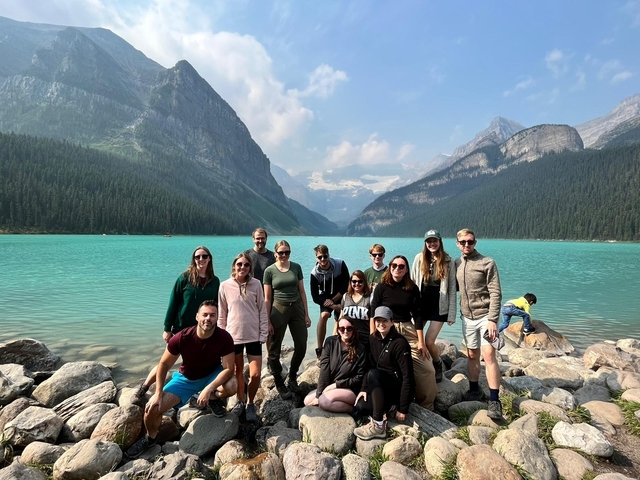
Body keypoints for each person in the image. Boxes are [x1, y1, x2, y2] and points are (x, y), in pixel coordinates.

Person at [125, 300, 237, 458]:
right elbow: (163, 364)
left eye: (212, 315)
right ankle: (150, 438)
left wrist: (209, 389)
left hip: (212, 376)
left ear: (217, 318)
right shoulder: (182, 337)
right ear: (197, 317)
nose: (208, 318)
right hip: (186, 379)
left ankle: (210, 398)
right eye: (204, 314)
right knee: (151, 411)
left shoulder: (224, 338)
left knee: (233, 385)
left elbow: (228, 369)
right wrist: (157, 393)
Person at [133, 246, 220, 402]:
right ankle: (145, 386)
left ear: (209, 258)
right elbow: (173, 304)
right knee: (165, 361)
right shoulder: (184, 278)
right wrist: (167, 328)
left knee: (200, 363)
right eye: (197, 257)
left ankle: (199, 393)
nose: (201, 259)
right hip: (181, 328)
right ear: (194, 259)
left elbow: (216, 306)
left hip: (202, 331)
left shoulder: (214, 281)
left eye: (204, 256)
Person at [371, 255, 437, 411]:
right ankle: (382, 402)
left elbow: (418, 315)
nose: (397, 269)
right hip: (385, 329)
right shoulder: (381, 287)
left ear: (407, 269)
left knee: (427, 368)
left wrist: (421, 342)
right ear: (390, 267)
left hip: (407, 329)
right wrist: (373, 335)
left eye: (401, 266)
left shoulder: (412, 288)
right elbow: (373, 312)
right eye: (394, 265)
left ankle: (427, 406)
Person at [455, 228, 503, 420]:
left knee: (489, 354)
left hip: (485, 316)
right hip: (467, 317)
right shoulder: (456, 263)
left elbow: (496, 293)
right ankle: (474, 390)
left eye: (470, 241)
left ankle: (494, 400)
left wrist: (492, 319)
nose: (467, 245)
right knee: (472, 354)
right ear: (458, 244)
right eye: (463, 242)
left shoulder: (487, 263)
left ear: (475, 242)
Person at [218, 253, 269, 422]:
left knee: (255, 374)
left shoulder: (256, 284)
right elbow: (222, 314)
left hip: (253, 336)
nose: (242, 267)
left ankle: (250, 402)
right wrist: (221, 336)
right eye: (239, 264)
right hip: (233, 337)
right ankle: (241, 401)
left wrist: (263, 333)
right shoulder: (225, 286)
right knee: (238, 372)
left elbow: (262, 309)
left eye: (246, 265)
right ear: (234, 265)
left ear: (250, 268)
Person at [354, 306, 415, 440]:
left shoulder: (400, 343)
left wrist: (403, 408)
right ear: (374, 322)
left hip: (396, 385)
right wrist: (364, 388)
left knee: (374, 374)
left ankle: (378, 425)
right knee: (361, 407)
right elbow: (369, 364)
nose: (381, 324)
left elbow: (408, 377)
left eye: (385, 320)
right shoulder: (373, 338)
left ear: (392, 321)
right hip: (380, 385)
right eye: (378, 320)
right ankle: (387, 409)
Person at [264, 240, 312, 399]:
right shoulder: (269, 271)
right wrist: (267, 320)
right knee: (274, 347)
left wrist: (306, 313)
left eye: (287, 252)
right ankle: (278, 379)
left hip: (297, 307)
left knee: (301, 343)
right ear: (275, 253)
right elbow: (267, 298)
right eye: (281, 252)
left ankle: (292, 377)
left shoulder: (296, 267)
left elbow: (303, 292)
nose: (284, 255)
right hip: (279, 308)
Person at [410, 230, 457, 383]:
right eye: (429, 241)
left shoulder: (448, 261)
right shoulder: (419, 258)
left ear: (440, 241)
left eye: (434, 241)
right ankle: (418, 365)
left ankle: (437, 365)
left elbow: (451, 289)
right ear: (425, 243)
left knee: (429, 341)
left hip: (439, 306)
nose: (432, 244)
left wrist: (451, 314)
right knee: (413, 337)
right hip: (421, 304)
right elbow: (411, 282)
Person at [304, 316, 367, 413]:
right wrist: (319, 394)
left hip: (350, 389)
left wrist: (335, 385)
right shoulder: (330, 342)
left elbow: (359, 377)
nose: (345, 331)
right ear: (338, 329)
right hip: (331, 386)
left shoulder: (360, 349)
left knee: (324, 402)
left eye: (349, 328)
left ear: (354, 329)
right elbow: (324, 370)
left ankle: (353, 410)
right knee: (307, 401)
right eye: (342, 328)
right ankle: (331, 402)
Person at [310, 244, 350, 357]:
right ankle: (319, 349)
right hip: (325, 297)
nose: (322, 259)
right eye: (319, 257)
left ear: (329, 255)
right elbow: (314, 296)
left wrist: (334, 300)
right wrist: (331, 305)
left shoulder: (340, 263)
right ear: (316, 258)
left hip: (341, 294)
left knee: (340, 318)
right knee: (324, 316)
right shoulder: (314, 273)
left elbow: (347, 284)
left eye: (325, 256)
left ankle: (338, 345)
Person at [340, 269, 374, 339]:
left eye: (360, 281)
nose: (357, 284)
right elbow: (341, 318)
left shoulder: (370, 297)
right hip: (348, 336)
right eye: (354, 281)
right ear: (350, 282)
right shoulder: (345, 296)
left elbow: (372, 320)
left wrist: (372, 339)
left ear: (364, 282)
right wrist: (336, 334)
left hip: (364, 337)